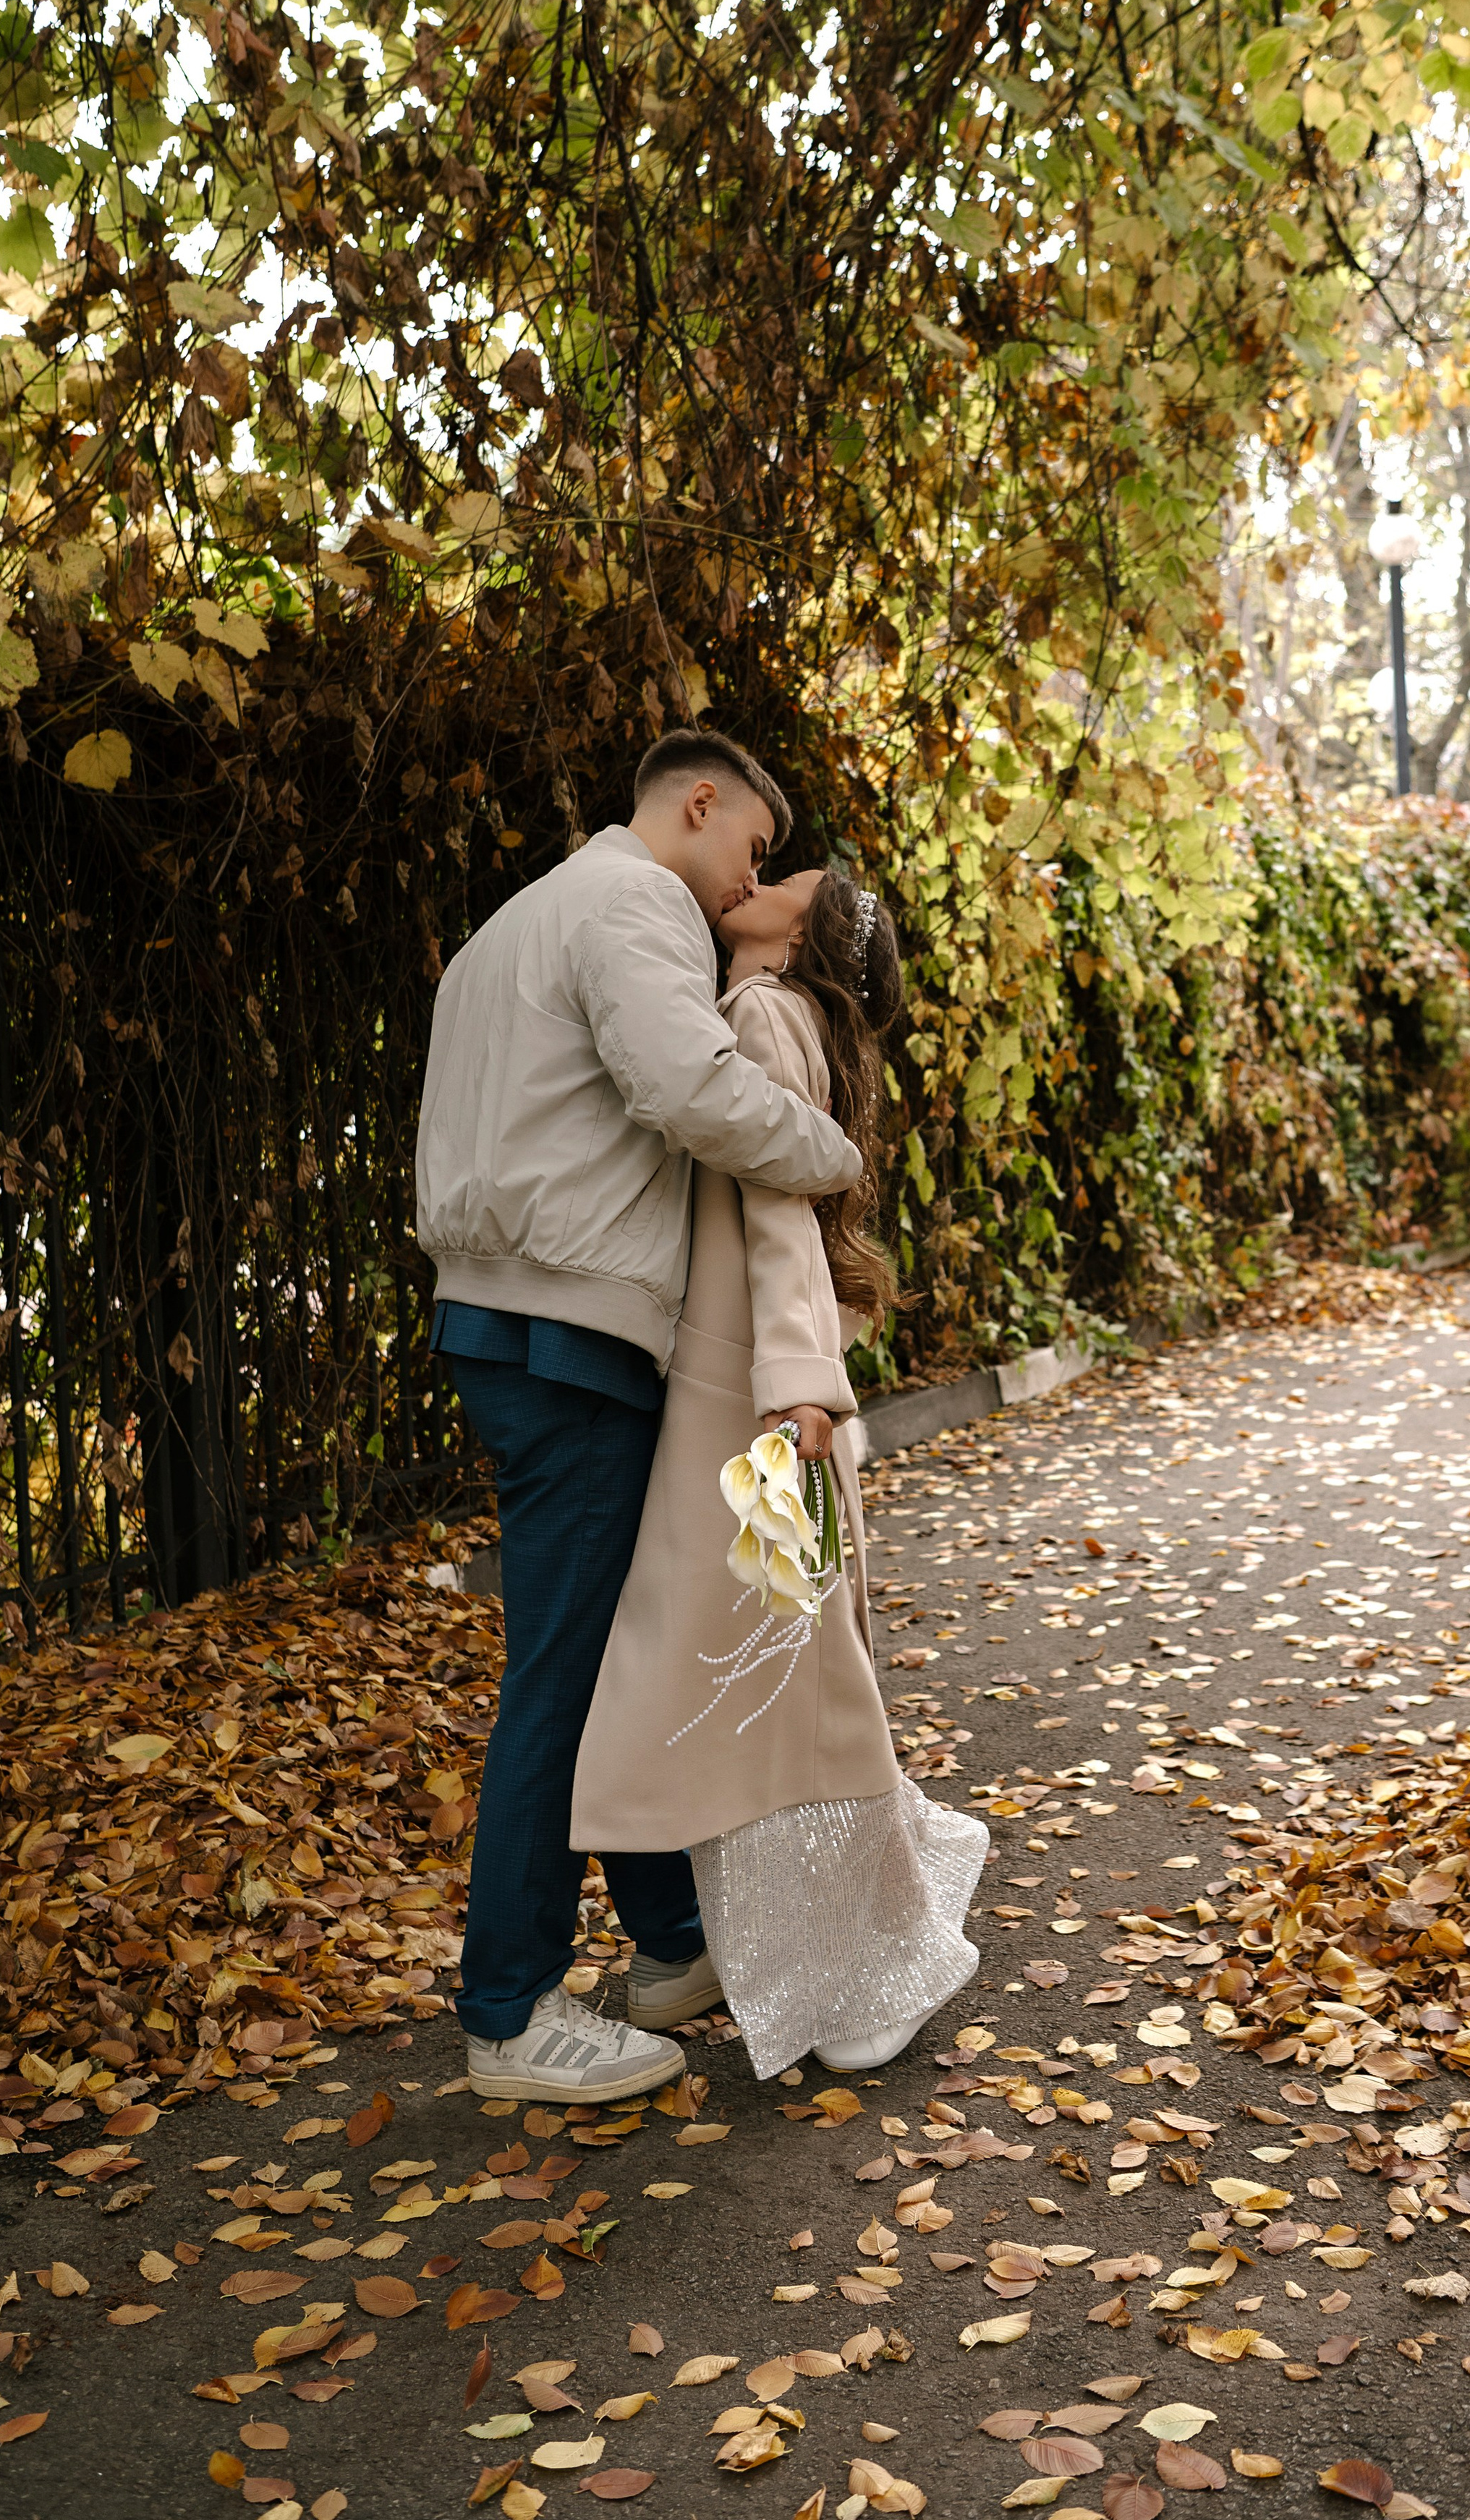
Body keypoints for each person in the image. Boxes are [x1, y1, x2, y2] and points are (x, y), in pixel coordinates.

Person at [415, 733, 864, 2103]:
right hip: (569, 1336)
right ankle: (508, 2012)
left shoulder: (515, 923)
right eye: (751, 846)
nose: (751, 878)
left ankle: (670, 1949)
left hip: (508, 1316)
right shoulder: (636, 905)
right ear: (700, 803)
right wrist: (835, 1154)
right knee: (562, 1668)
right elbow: (693, 1089)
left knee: (613, 1652)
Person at [572, 867, 987, 2076]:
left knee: (781, 1674)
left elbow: (779, 1209)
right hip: (760, 1384)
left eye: (788, 877)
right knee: (782, 1669)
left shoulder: (758, 1014)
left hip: (752, 1395)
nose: (758, 878)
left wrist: (797, 1382)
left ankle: (871, 1970)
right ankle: (840, 1959)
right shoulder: (765, 1012)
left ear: (800, 931)